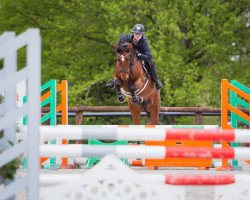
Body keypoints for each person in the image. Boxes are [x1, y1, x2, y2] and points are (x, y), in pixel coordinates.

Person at [118, 24, 163, 90]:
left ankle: (156, 81)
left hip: (142, 56)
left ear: (142, 34)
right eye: (136, 33)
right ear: (133, 33)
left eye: (140, 34)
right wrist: (119, 44)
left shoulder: (144, 42)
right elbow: (119, 43)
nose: (138, 35)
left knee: (150, 63)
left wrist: (140, 55)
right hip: (130, 56)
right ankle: (117, 78)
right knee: (122, 60)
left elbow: (149, 55)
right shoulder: (128, 38)